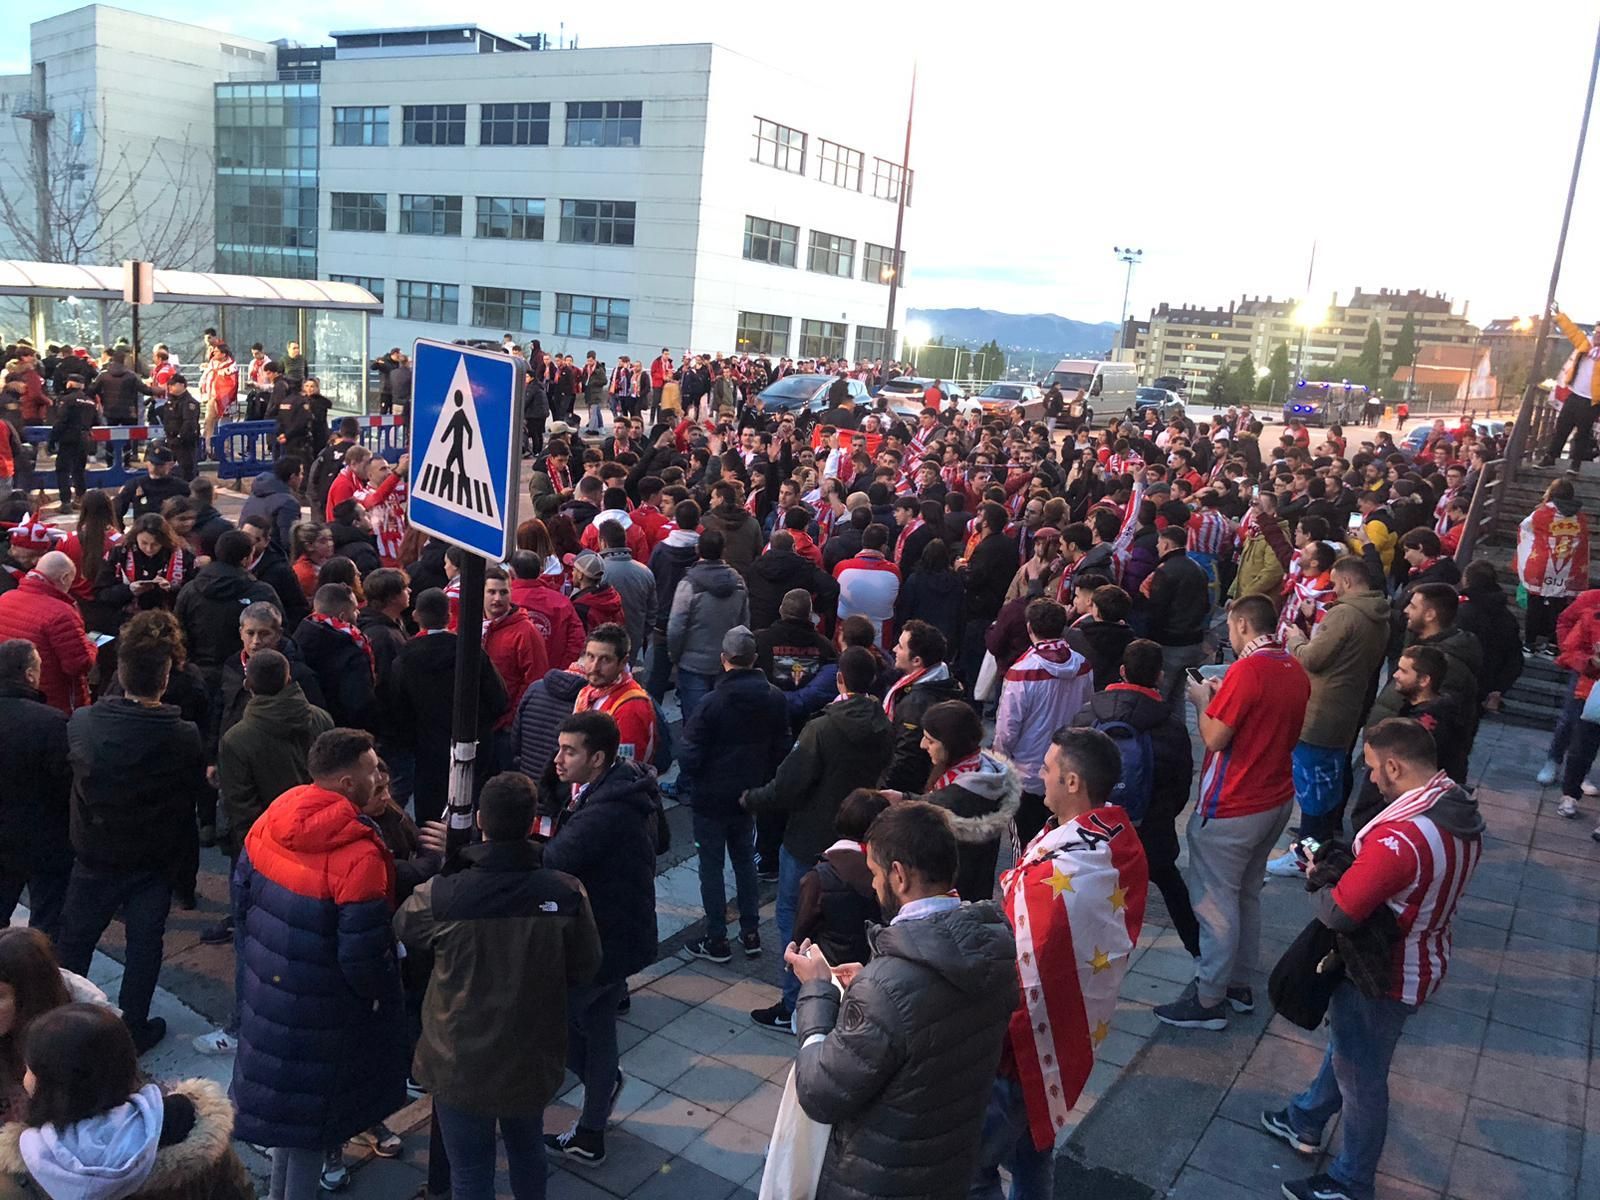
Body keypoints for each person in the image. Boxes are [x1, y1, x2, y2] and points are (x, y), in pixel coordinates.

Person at [1263, 718, 1483, 1200]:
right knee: (1350, 1051)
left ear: (1393, 765)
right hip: (1425, 954)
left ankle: (1351, 1181)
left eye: (1373, 770)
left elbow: (1340, 914)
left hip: (1384, 972)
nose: (1372, 780)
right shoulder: (1458, 809)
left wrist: (1319, 877)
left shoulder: (1399, 839)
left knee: (1361, 1079)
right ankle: (1305, 1117)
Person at [786, 801, 1018, 1200]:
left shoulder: (887, 987)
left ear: (899, 875)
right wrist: (874, 983)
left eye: (875, 873)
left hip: (879, 1179)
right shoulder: (994, 948)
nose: (873, 885)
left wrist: (817, 992)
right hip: (949, 1167)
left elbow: (820, 1093)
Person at [396, 772, 602, 1200]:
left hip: (459, 1058)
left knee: (470, 1171)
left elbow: (405, 928)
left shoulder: (443, 895)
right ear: (531, 823)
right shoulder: (565, 893)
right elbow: (587, 964)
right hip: (531, 1052)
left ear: (482, 825)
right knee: (528, 1151)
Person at [971, 728, 1149, 1200]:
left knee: (971, 1163)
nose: (1038, 776)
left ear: (1072, 782)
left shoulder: (1072, 868)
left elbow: (1025, 957)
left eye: (1047, 769)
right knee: (1033, 1147)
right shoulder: (1113, 838)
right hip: (1065, 1030)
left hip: (1023, 1046)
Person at [232, 728, 408, 1199]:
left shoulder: (275, 814)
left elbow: (241, 894)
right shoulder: (359, 856)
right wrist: (381, 995)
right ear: (348, 783)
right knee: (312, 1124)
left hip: (271, 992)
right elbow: (363, 958)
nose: (379, 776)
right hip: (325, 1014)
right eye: (372, 769)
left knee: (290, 1124)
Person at [1156, 594, 1309, 1031]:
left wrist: (1202, 700)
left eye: (1229, 626)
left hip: (1234, 801)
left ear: (1241, 623)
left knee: (1216, 902)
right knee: (1245, 894)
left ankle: (1208, 999)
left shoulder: (1247, 671)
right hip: (1275, 796)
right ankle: (1238, 984)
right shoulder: (1291, 666)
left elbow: (1215, 737)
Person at [56, 632, 207, 1055]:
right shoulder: (183, 735)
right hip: (152, 859)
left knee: (77, 941)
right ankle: (132, 1026)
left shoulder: (83, 721)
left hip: (96, 852)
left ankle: (62, 1019)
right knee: (144, 945)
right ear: (163, 680)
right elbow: (190, 790)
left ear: (120, 676)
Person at [194, 649, 334, 1057]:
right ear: (289, 677)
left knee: (252, 947)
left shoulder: (238, 738)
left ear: (249, 685)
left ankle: (240, 1028)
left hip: (266, 855)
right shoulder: (319, 719)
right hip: (319, 848)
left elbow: (242, 810)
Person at [745, 647, 894, 1030]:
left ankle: (795, 1004)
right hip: (862, 837)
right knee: (847, 925)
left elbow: (789, 783)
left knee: (795, 920)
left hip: (811, 837)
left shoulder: (822, 728)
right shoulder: (883, 723)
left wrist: (754, 799)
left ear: (840, 679)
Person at [540, 712, 660, 1168]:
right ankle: (592, 1127)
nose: (558, 758)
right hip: (618, 934)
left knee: (556, 1024)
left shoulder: (608, 809)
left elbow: (555, 858)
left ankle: (597, 1094)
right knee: (600, 1024)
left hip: (600, 940)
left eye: (569, 751)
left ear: (598, 758)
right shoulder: (621, 788)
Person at [0, 1003, 254, 1199]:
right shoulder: (190, 1129)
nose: (26, 1077)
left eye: (31, 1069)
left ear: (55, 1086)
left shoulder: (22, 1168)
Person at [1070, 639, 1200, 956]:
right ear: (1159, 676)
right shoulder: (1170, 727)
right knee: (1171, 886)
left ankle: (1078, 952)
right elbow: (1181, 786)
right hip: (1150, 830)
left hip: (1095, 832)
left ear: (1123, 671)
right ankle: (1199, 953)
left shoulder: (1088, 716)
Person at [679, 626, 791, 963]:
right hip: (749, 795)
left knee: (711, 867)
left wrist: (696, 779)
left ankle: (717, 937)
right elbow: (782, 747)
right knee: (744, 861)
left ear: (724, 659)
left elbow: (689, 752)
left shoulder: (712, 702)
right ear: (755, 659)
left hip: (711, 798)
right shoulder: (773, 696)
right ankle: (751, 931)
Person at [1271, 555, 1391, 857]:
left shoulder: (1345, 614)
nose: (1334, 590)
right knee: (1328, 782)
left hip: (1321, 711)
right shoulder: (1378, 616)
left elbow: (1313, 658)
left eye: (1336, 584)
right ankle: (1318, 840)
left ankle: (1305, 853)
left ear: (1348, 581)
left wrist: (1298, 639)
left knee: (1313, 788)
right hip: (1347, 706)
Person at [388, 589, 508, 824]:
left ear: (416, 616)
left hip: (429, 749)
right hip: (473, 743)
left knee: (430, 813)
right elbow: (498, 698)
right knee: (472, 806)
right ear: (448, 615)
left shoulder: (406, 658)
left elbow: (398, 710)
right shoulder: (470, 651)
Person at [881, 700, 1021, 901]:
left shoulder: (956, 801)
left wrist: (906, 804)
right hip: (976, 884)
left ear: (951, 744)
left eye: (930, 740)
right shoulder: (982, 771)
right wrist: (905, 798)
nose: (922, 745)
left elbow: (941, 808)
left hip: (955, 892)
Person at [994, 600, 1095, 849]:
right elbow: (1087, 708)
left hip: (1027, 772)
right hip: (1069, 766)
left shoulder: (1021, 671)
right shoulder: (1082, 664)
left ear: (1029, 628)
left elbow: (1007, 729)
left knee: (1025, 845)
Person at [0, 641, 73, 941]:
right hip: (44, 839)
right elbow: (65, 783)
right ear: (30, 675)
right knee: (47, 919)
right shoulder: (51, 722)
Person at [790, 788, 888, 972]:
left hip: (829, 969)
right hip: (877, 968)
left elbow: (802, 930)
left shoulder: (818, 877)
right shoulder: (893, 873)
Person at [173, 529, 282, 689]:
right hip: (244, 674)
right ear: (246, 559)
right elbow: (279, 630)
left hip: (199, 673)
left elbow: (178, 630)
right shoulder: (261, 591)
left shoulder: (190, 590)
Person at [667, 528, 751, 726]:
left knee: (696, 722)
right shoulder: (738, 582)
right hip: (727, 663)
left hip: (693, 663)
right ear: (723, 551)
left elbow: (676, 627)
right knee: (723, 722)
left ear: (698, 549)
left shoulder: (689, 584)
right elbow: (744, 622)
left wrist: (675, 656)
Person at [0, 551, 95, 714]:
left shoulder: (5, 599)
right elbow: (79, 664)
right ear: (65, 578)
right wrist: (91, 645)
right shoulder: (62, 613)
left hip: (12, 699)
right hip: (55, 702)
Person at [881, 619, 966, 792]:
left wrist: (882, 790)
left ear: (917, 661)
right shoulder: (945, 681)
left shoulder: (916, 703)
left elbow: (906, 760)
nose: (894, 650)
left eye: (901, 647)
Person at [1515, 477, 1590, 653]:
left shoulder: (1541, 513)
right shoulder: (1580, 517)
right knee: (1560, 606)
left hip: (1541, 566)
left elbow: (1524, 529)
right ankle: (1554, 644)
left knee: (1535, 604)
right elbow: (1584, 542)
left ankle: (1529, 643)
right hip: (1568, 569)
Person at [1142, 525, 1211, 709]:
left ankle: (1160, 734)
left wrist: (1150, 641)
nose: (1157, 547)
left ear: (1166, 544)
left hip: (1170, 643)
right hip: (1193, 641)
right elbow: (1206, 606)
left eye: (1159, 543)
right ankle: (1177, 731)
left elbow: (1157, 611)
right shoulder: (1198, 569)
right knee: (1178, 696)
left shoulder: (1165, 571)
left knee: (1161, 695)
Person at [482, 565, 549, 740]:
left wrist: (511, 718)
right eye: (491, 592)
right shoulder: (470, 623)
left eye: (503, 592)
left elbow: (535, 680)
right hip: (473, 723)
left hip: (504, 729)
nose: (497, 598)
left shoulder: (526, 632)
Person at [1536, 309, 1600, 467]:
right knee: (1561, 427)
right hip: (1575, 394)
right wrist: (1559, 316)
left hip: (1591, 400)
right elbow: (1572, 332)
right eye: (1597, 332)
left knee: (1583, 433)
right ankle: (1550, 457)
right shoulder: (1586, 344)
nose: (1598, 335)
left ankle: (1575, 463)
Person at [595, 519, 657, 668]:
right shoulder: (644, 572)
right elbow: (652, 612)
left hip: (601, 644)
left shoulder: (597, 571)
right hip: (634, 640)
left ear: (603, 542)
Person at [834, 523, 902, 651]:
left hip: (845, 632)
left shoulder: (842, 567)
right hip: (880, 636)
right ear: (883, 547)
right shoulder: (893, 571)